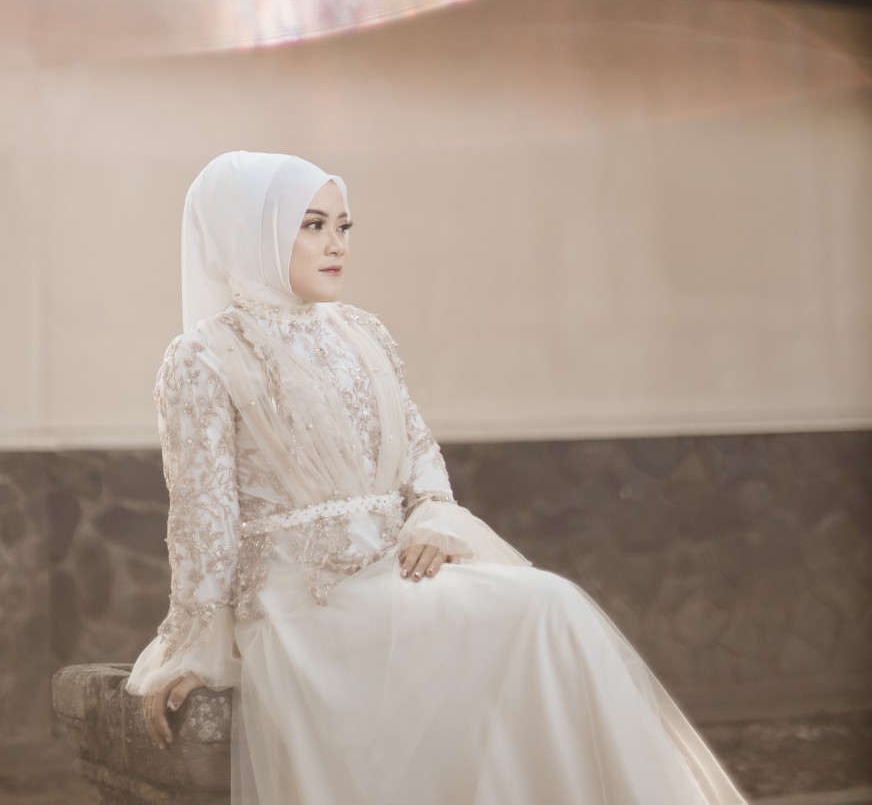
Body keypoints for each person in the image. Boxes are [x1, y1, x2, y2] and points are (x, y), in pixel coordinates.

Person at [126, 150, 748, 805]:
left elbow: (420, 455)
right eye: (312, 225)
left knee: (551, 605)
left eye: (343, 226)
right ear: (250, 231)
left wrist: (432, 518)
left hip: (394, 577)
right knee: (541, 610)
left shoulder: (362, 332)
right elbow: (203, 518)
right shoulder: (202, 356)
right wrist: (197, 647)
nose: (337, 244)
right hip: (303, 607)